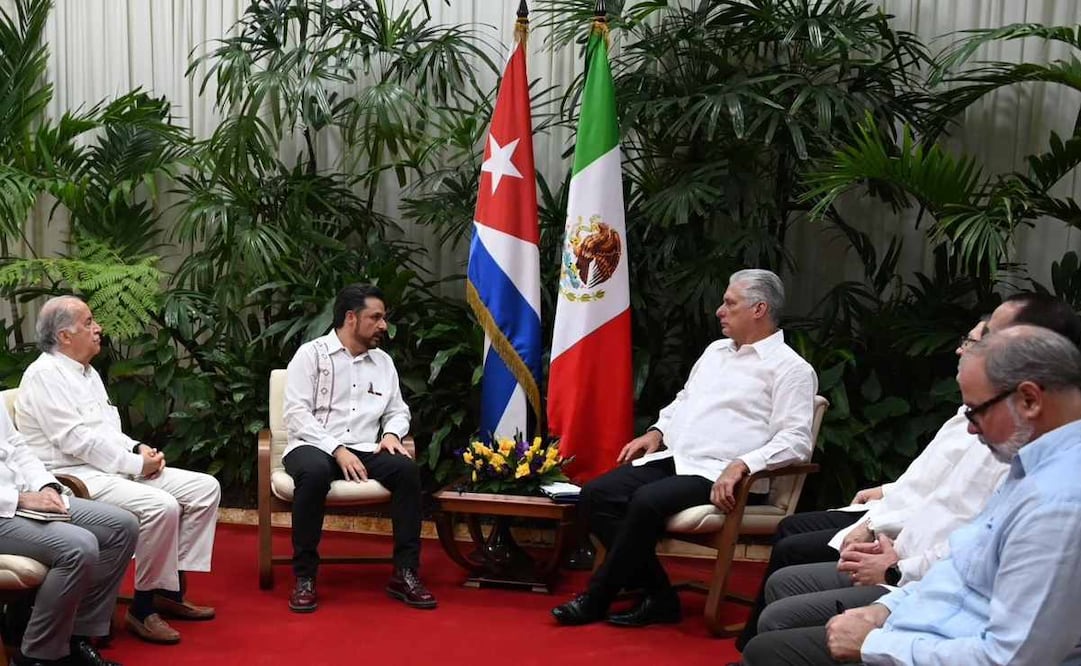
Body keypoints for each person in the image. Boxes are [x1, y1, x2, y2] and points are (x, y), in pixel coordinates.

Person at [736, 291, 1081, 649]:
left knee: (775, 635)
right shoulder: (1026, 458)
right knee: (781, 606)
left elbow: (1008, 653)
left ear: (1029, 391)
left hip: (936, 618)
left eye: (989, 340)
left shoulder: (1056, 496)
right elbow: (958, 554)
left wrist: (877, 635)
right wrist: (887, 604)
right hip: (919, 586)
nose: (971, 426)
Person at [551, 269, 817, 627]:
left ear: (759, 309)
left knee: (645, 501)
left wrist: (743, 464)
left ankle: (596, 599)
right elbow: (684, 400)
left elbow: (796, 441)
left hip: (724, 475)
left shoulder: (790, 369)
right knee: (598, 494)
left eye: (729, 303)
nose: (720, 311)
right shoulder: (715, 351)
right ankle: (659, 595)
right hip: (678, 459)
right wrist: (658, 431)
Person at [16, 296, 221, 645]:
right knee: (161, 506)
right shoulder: (43, 376)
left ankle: (165, 590)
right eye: (89, 322)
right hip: (75, 475)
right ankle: (142, 609)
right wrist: (136, 464)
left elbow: (107, 430)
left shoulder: (87, 371)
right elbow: (76, 441)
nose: (99, 329)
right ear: (65, 336)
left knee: (205, 489)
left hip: (111, 466)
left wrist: (136, 448)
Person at [281, 283, 434, 613]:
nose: (383, 326)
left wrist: (392, 434)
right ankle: (305, 576)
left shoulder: (383, 363)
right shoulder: (310, 355)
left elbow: (397, 410)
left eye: (384, 318)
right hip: (312, 444)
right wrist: (336, 448)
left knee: (406, 469)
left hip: (365, 446)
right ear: (351, 318)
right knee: (314, 472)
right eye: (375, 317)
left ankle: (405, 572)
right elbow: (296, 415)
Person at [0, 404, 138, 666]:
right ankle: (36, 658)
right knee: (78, 546)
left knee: (121, 526)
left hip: (21, 497)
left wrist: (46, 485)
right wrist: (19, 499)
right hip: (7, 505)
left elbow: (16, 445)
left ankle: (74, 640)